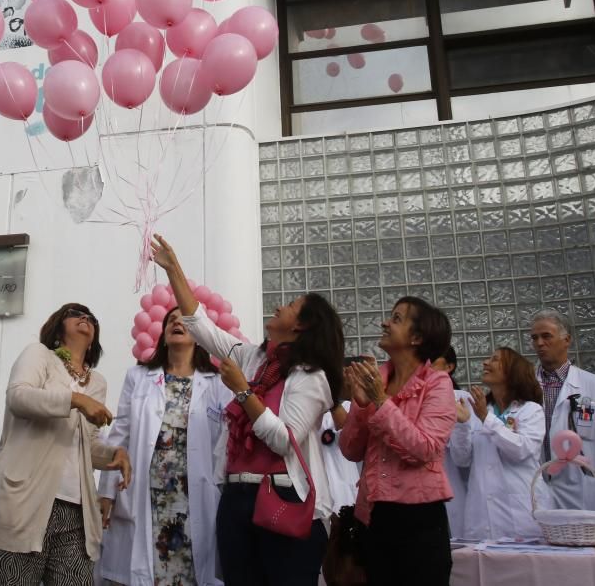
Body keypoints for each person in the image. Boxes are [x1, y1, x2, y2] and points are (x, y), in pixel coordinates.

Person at [151, 235, 343, 586]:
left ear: (300, 326)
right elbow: (200, 325)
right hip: (237, 498)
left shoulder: (311, 377)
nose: (278, 308)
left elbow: (284, 439)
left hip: (285, 498)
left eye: (288, 305)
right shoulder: (252, 357)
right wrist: (173, 267)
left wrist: (242, 390)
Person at [0, 303, 132, 586]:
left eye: (91, 318)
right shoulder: (39, 355)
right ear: (58, 326)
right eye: (75, 313)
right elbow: (19, 397)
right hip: (21, 501)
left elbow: (87, 444)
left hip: (77, 512)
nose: (85, 318)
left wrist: (114, 454)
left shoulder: (97, 382)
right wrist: (74, 400)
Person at [96, 307, 231, 586]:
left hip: (196, 499)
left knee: (192, 573)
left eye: (184, 319)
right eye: (171, 319)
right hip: (147, 495)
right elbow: (120, 435)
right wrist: (106, 491)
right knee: (148, 572)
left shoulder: (217, 384)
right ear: (164, 335)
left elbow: (226, 445)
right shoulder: (138, 377)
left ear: (199, 335)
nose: (177, 322)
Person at [339, 297, 456, 586]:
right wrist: (363, 406)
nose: (385, 323)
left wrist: (380, 401)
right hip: (373, 516)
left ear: (417, 337)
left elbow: (424, 449)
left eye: (397, 318)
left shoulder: (437, 383)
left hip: (419, 520)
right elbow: (350, 450)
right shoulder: (376, 379)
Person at [530, 309, 595, 515]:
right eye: (535, 338)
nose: (539, 343)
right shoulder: (524, 384)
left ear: (566, 340)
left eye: (546, 336)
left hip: (584, 494)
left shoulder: (593, 386)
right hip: (537, 490)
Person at [449, 346, 549, 540]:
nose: (486, 362)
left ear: (512, 371)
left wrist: (487, 419)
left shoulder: (531, 410)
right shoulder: (478, 410)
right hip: (482, 515)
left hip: (522, 513)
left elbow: (521, 449)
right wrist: (461, 425)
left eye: (494, 359)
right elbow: (461, 459)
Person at [430, 347, 469, 540]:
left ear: (449, 367)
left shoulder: (462, 400)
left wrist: (461, 425)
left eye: (433, 360)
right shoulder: (412, 395)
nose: (426, 365)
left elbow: (463, 456)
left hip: (451, 484)